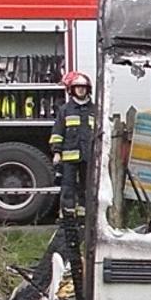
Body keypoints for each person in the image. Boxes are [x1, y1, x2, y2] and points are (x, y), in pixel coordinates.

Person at [51, 71, 97, 220]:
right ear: (72, 89)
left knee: (86, 187)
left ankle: (84, 215)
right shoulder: (65, 110)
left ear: (88, 89)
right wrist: (57, 153)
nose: (81, 90)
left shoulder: (95, 110)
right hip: (69, 157)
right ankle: (68, 215)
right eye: (78, 87)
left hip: (88, 157)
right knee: (68, 187)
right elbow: (58, 132)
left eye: (83, 87)